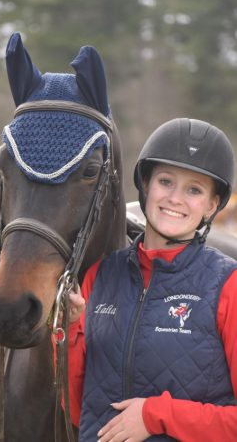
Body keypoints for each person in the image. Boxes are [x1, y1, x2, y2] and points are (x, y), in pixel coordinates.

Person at [64, 118, 237, 441]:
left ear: (212, 205)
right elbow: (77, 409)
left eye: (194, 189)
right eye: (166, 181)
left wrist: (155, 415)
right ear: (145, 185)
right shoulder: (98, 277)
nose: (175, 198)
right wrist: (71, 329)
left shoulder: (229, 285)